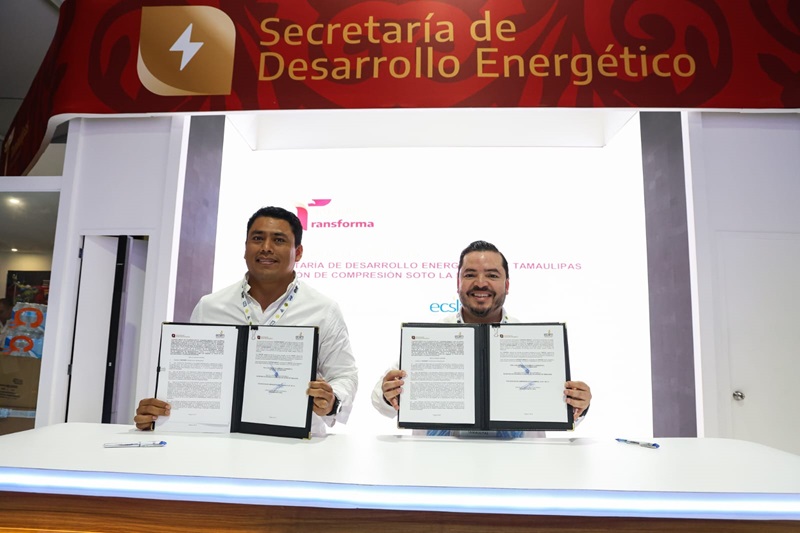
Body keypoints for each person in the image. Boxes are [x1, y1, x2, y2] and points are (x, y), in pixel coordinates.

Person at [135, 206, 358, 436]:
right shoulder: (210, 307)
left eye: (279, 240)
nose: (266, 248)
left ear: (298, 252)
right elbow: (190, 377)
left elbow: (344, 375)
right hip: (220, 443)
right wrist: (160, 415)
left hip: (295, 445)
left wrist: (332, 401)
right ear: (245, 248)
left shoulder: (323, 310)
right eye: (257, 238)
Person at [371, 240, 591, 437]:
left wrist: (578, 403)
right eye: (470, 275)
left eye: (492, 275)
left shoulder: (533, 342)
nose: (481, 283)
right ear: (458, 283)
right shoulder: (430, 339)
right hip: (438, 461)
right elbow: (380, 402)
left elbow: (559, 408)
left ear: (507, 285)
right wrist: (388, 393)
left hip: (519, 462)